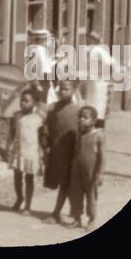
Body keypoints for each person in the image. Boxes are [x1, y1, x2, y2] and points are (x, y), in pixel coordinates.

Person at [40, 80, 81, 223]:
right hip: (57, 152)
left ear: (74, 90)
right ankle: (74, 212)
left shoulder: (79, 110)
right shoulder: (52, 109)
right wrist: (45, 150)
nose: (62, 91)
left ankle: (57, 213)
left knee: (66, 183)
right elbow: (46, 130)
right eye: (60, 89)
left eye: (66, 89)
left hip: (72, 154)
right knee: (64, 182)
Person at [68, 105, 105, 229]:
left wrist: (100, 173)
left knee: (91, 196)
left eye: (85, 117)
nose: (81, 120)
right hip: (77, 170)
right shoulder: (79, 135)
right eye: (80, 117)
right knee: (75, 195)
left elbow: (102, 157)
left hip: (91, 172)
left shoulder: (98, 136)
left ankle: (91, 220)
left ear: (94, 121)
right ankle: (76, 218)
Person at [7, 88, 42, 213]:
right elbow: (12, 133)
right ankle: (19, 198)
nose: (22, 103)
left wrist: (42, 154)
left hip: (31, 153)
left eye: (26, 101)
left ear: (34, 103)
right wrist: (9, 148)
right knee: (17, 176)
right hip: (18, 150)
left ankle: (28, 205)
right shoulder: (16, 116)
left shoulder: (38, 119)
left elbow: (42, 137)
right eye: (21, 100)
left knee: (29, 178)